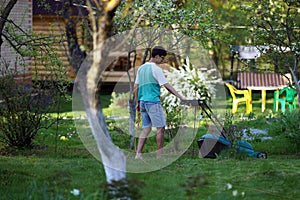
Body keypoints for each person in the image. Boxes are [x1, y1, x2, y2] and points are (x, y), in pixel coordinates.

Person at [134, 46, 185, 159]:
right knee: (160, 128)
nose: (162, 60)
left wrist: (137, 102)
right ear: (156, 56)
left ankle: (138, 154)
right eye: (162, 58)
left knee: (146, 128)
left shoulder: (141, 68)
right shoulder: (156, 69)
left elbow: (135, 86)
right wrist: (180, 97)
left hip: (142, 102)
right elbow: (167, 86)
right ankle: (159, 156)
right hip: (152, 102)